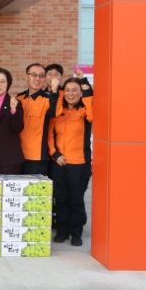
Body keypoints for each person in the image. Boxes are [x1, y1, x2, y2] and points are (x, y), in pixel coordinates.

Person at [48, 78, 93, 246]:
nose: (71, 93)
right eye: (67, 90)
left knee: (76, 200)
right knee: (61, 199)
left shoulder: (84, 111)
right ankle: (62, 231)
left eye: (75, 90)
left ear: (80, 92)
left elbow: (92, 115)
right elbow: (49, 136)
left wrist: (86, 90)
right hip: (59, 162)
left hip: (79, 163)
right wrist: (55, 154)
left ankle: (76, 232)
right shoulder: (57, 112)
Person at [15, 63, 61, 176]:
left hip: (37, 158)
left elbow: (54, 112)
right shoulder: (19, 98)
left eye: (41, 75)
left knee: (36, 188)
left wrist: (55, 92)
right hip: (17, 155)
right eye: (34, 75)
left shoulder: (48, 98)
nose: (37, 78)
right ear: (26, 77)